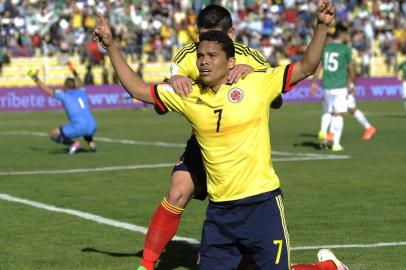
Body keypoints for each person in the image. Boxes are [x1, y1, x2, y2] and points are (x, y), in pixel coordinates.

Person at [94, 1, 348, 269]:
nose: (203, 61)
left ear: (231, 60)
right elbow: (137, 89)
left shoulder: (255, 81)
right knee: (179, 192)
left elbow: (306, 67)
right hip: (220, 213)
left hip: (261, 206)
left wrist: (321, 25)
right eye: (200, 55)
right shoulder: (188, 95)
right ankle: (147, 263)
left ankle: (328, 268)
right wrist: (110, 46)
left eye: (211, 56)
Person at [137, 5, 283, 269]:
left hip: (241, 149)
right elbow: (160, 103)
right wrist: (176, 79)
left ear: (231, 34)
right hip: (205, 142)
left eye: (213, 37)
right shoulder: (190, 55)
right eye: (200, 38)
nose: (204, 47)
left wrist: (251, 75)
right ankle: (146, 264)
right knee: (178, 192)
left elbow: (277, 101)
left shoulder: (253, 59)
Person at [310, 23, 376, 151]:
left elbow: (320, 65)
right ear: (343, 35)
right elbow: (351, 66)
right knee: (342, 111)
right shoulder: (345, 49)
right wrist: (352, 83)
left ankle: (329, 132)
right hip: (341, 84)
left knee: (337, 110)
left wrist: (313, 82)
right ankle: (335, 140)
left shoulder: (327, 48)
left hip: (331, 84)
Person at [27, 67, 97, 154]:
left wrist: (34, 77)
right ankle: (92, 145)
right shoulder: (82, 91)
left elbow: (47, 90)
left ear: (66, 86)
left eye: (63, 85)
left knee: (53, 134)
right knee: (85, 127)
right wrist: (74, 72)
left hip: (79, 127)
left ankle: (73, 144)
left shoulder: (64, 95)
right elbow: (81, 83)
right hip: (93, 125)